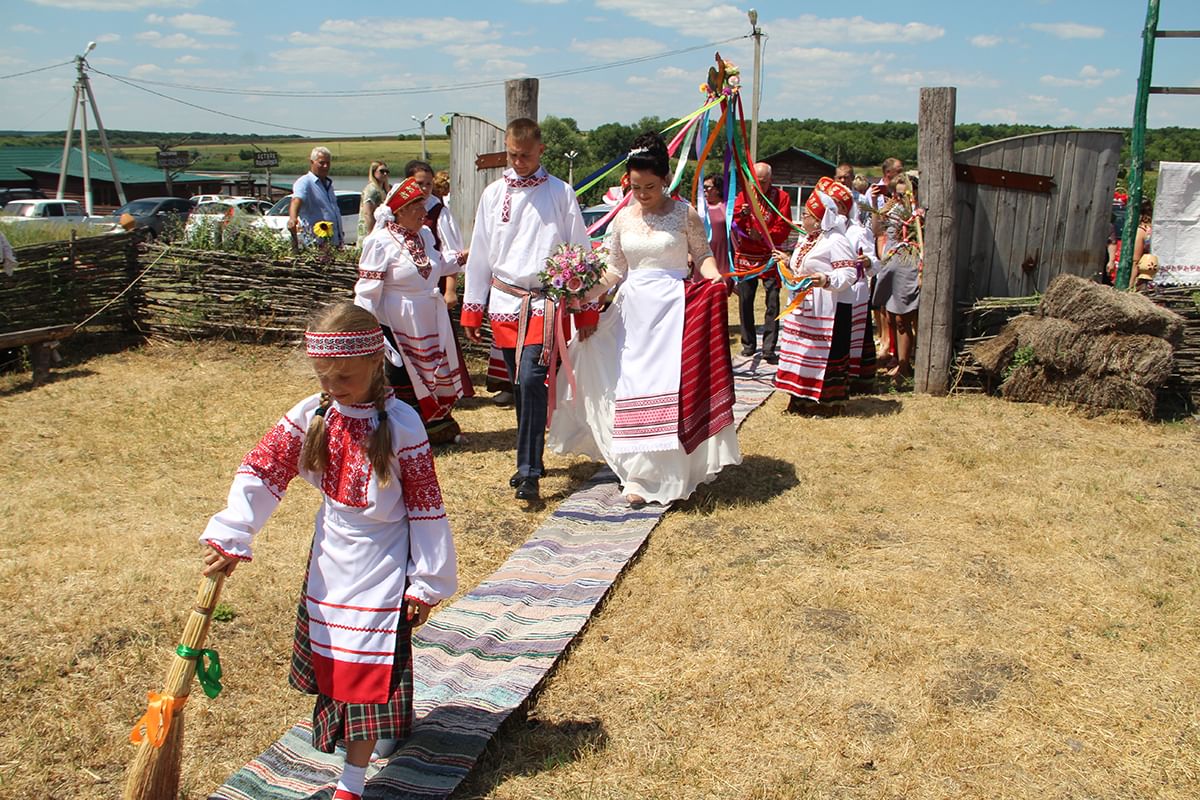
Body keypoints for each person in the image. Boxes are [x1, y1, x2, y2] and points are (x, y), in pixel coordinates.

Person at [199, 301, 457, 800]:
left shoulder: (403, 425)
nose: (333, 387)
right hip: (331, 558)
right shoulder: (312, 413)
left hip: (384, 561)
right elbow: (263, 470)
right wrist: (234, 533)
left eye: (344, 377)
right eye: (324, 376)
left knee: (368, 660)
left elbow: (426, 507)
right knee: (339, 662)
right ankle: (376, 730)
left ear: (374, 364)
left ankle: (352, 782)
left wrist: (425, 581)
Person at [548, 132, 740, 507]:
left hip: (673, 311)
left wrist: (715, 278)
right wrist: (579, 293)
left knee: (667, 386)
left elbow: (701, 256)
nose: (642, 193)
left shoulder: (685, 214)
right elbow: (613, 270)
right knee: (631, 388)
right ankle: (638, 475)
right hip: (632, 312)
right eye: (635, 187)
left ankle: (671, 469)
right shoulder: (622, 220)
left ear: (666, 179)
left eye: (650, 186)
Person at [461, 118, 597, 502]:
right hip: (506, 303)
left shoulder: (560, 192)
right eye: (513, 155)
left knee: (533, 380)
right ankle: (531, 455)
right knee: (520, 387)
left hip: (545, 304)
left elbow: (580, 249)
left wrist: (584, 309)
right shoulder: (493, 194)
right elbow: (481, 254)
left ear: (541, 151)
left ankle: (528, 471)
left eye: (525, 155)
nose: (518, 162)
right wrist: (474, 308)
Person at [356, 177, 472, 445]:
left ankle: (432, 430)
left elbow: (437, 266)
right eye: (417, 207)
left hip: (428, 316)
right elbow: (366, 292)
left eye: (424, 206)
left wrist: (467, 254)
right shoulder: (381, 241)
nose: (424, 213)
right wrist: (370, 331)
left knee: (432, 372)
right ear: (400, 210)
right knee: (401, 376)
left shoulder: (425, 235)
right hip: (397, 321)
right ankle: (401, 436)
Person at [773, 183, 859, 416]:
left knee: (823, 353)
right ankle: (800, 399)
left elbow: (849, 273)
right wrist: (787, 260)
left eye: (806, 215)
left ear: (819, 218)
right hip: (804, 306)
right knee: (802, 350)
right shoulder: (807, 238)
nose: (802, 219)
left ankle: (826, 404)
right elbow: (802, 265)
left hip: (829, 309)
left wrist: (825, 279)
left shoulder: (836, 240)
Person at [732, 162, 792, 362]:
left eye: (763, 182)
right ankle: (748, 343)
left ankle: (769, 348)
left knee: (772, 302)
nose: (759, 186)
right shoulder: (744, 196)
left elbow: (784, 226)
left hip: (769, 254)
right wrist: (742, 216)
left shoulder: (782, 198)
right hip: (747, 256)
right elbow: (733, 222)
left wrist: (765, 235)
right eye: (755, 182)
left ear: (771, 180)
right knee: (745, 300)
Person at [871, 174, 921, 386]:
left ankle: (905, 365)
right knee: (890, 317)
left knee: (903, 319)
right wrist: (875, 206)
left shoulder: (918, 213)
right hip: (891, 264)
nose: (898, 198)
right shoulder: (891, 209)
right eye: (895, 193)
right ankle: (899, 360)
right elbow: (876, 231)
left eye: (902, 194)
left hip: (908, 265)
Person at [289, 146, 343, 247]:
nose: (325, 166)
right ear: (312, 162)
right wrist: (293, 218)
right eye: (321, 163)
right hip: (316, 242)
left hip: (334, 241)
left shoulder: (328, 184)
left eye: (328, 163)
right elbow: (296, 200)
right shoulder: (305, 182)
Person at [358, 160, 391, 241]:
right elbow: (367, 213)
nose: (385, 174)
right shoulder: (371, 190)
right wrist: (372, 234)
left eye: (387, 171)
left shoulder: (386, 189)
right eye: (382, 171)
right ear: (374, 172)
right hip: (370, 231)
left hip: (382, 231)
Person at [702, 174, 728, 273]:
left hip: (723, 253)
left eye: (707, 187)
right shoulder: (700, 208)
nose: (704, 190)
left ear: (718, 189)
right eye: (703, 187)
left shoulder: (727, 207)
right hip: (704, 253)